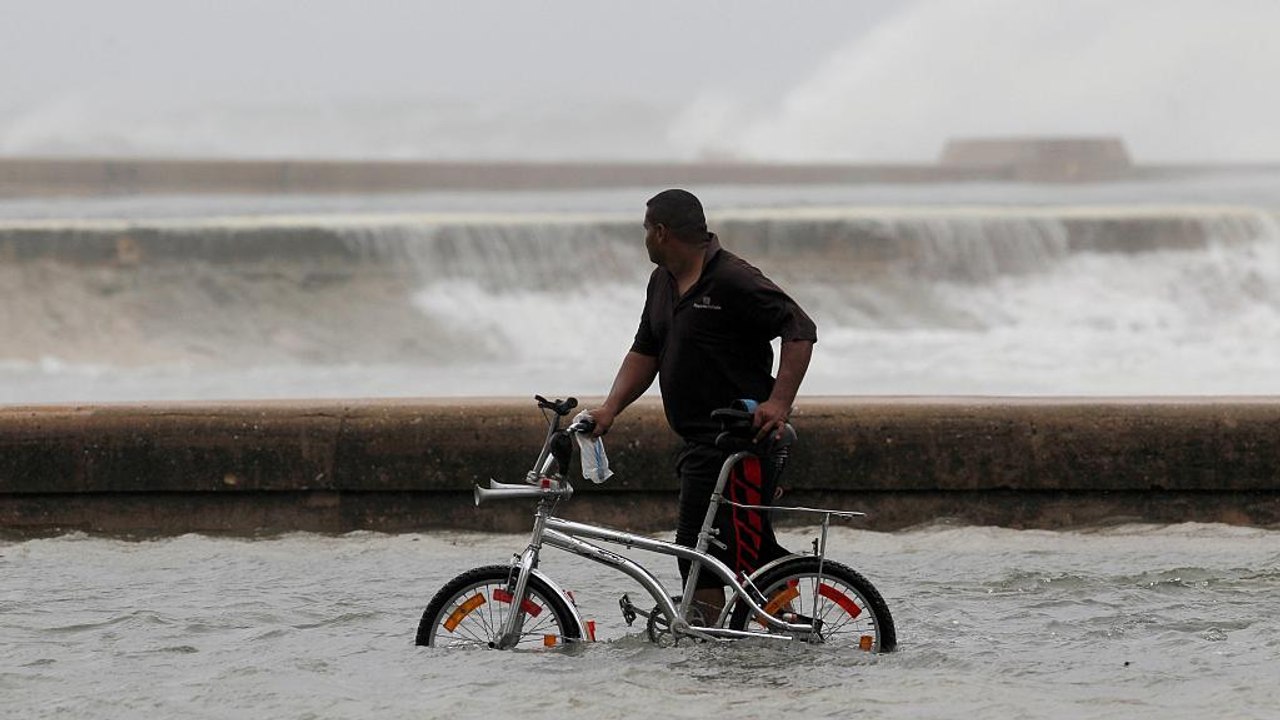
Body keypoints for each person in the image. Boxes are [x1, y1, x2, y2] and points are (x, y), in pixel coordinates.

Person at [588, 188, 817, 617]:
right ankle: (714, 637)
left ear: (661, 232)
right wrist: (609, 408)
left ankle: (786, 631)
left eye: (645, 231)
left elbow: (799, 328)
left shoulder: (733, 279)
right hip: (698, 444)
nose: (643, 240)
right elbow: (646, 351)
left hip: (741, 440)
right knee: (698, 553)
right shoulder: (663, 282)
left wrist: (779, 402)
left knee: (737, 554)